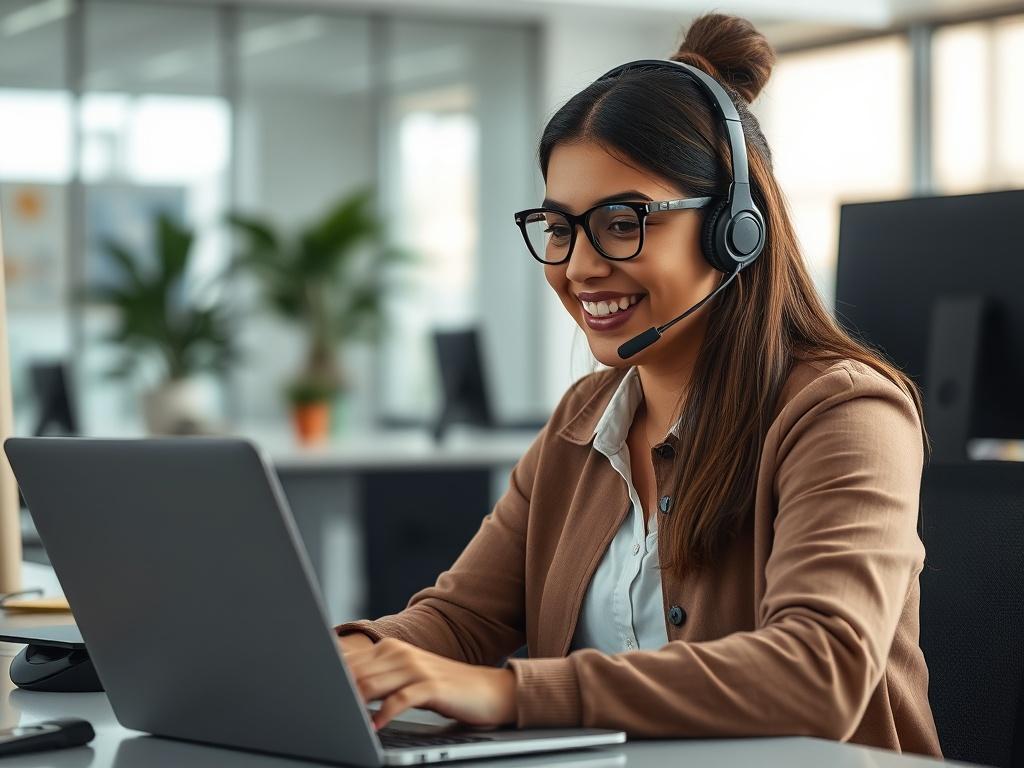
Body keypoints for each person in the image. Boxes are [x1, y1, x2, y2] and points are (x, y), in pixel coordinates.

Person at [334, 12, 942, 757]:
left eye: (622, 221)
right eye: (559, 226)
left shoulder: (845, 413)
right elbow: (461, 621)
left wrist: (510, 691)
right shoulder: (584, 421)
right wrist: (344, 656)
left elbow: (820, 673)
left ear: (735, 229)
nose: (579, 265)